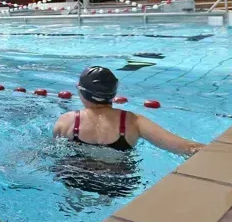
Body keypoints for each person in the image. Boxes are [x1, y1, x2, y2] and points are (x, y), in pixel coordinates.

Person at [54, 66, 203, 156]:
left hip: (74, 176)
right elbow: (186, 148)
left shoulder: (66, 121)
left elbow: (54, 150)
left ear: (82, 92)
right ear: (113, 93)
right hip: (118, 183)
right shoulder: (134, 121)